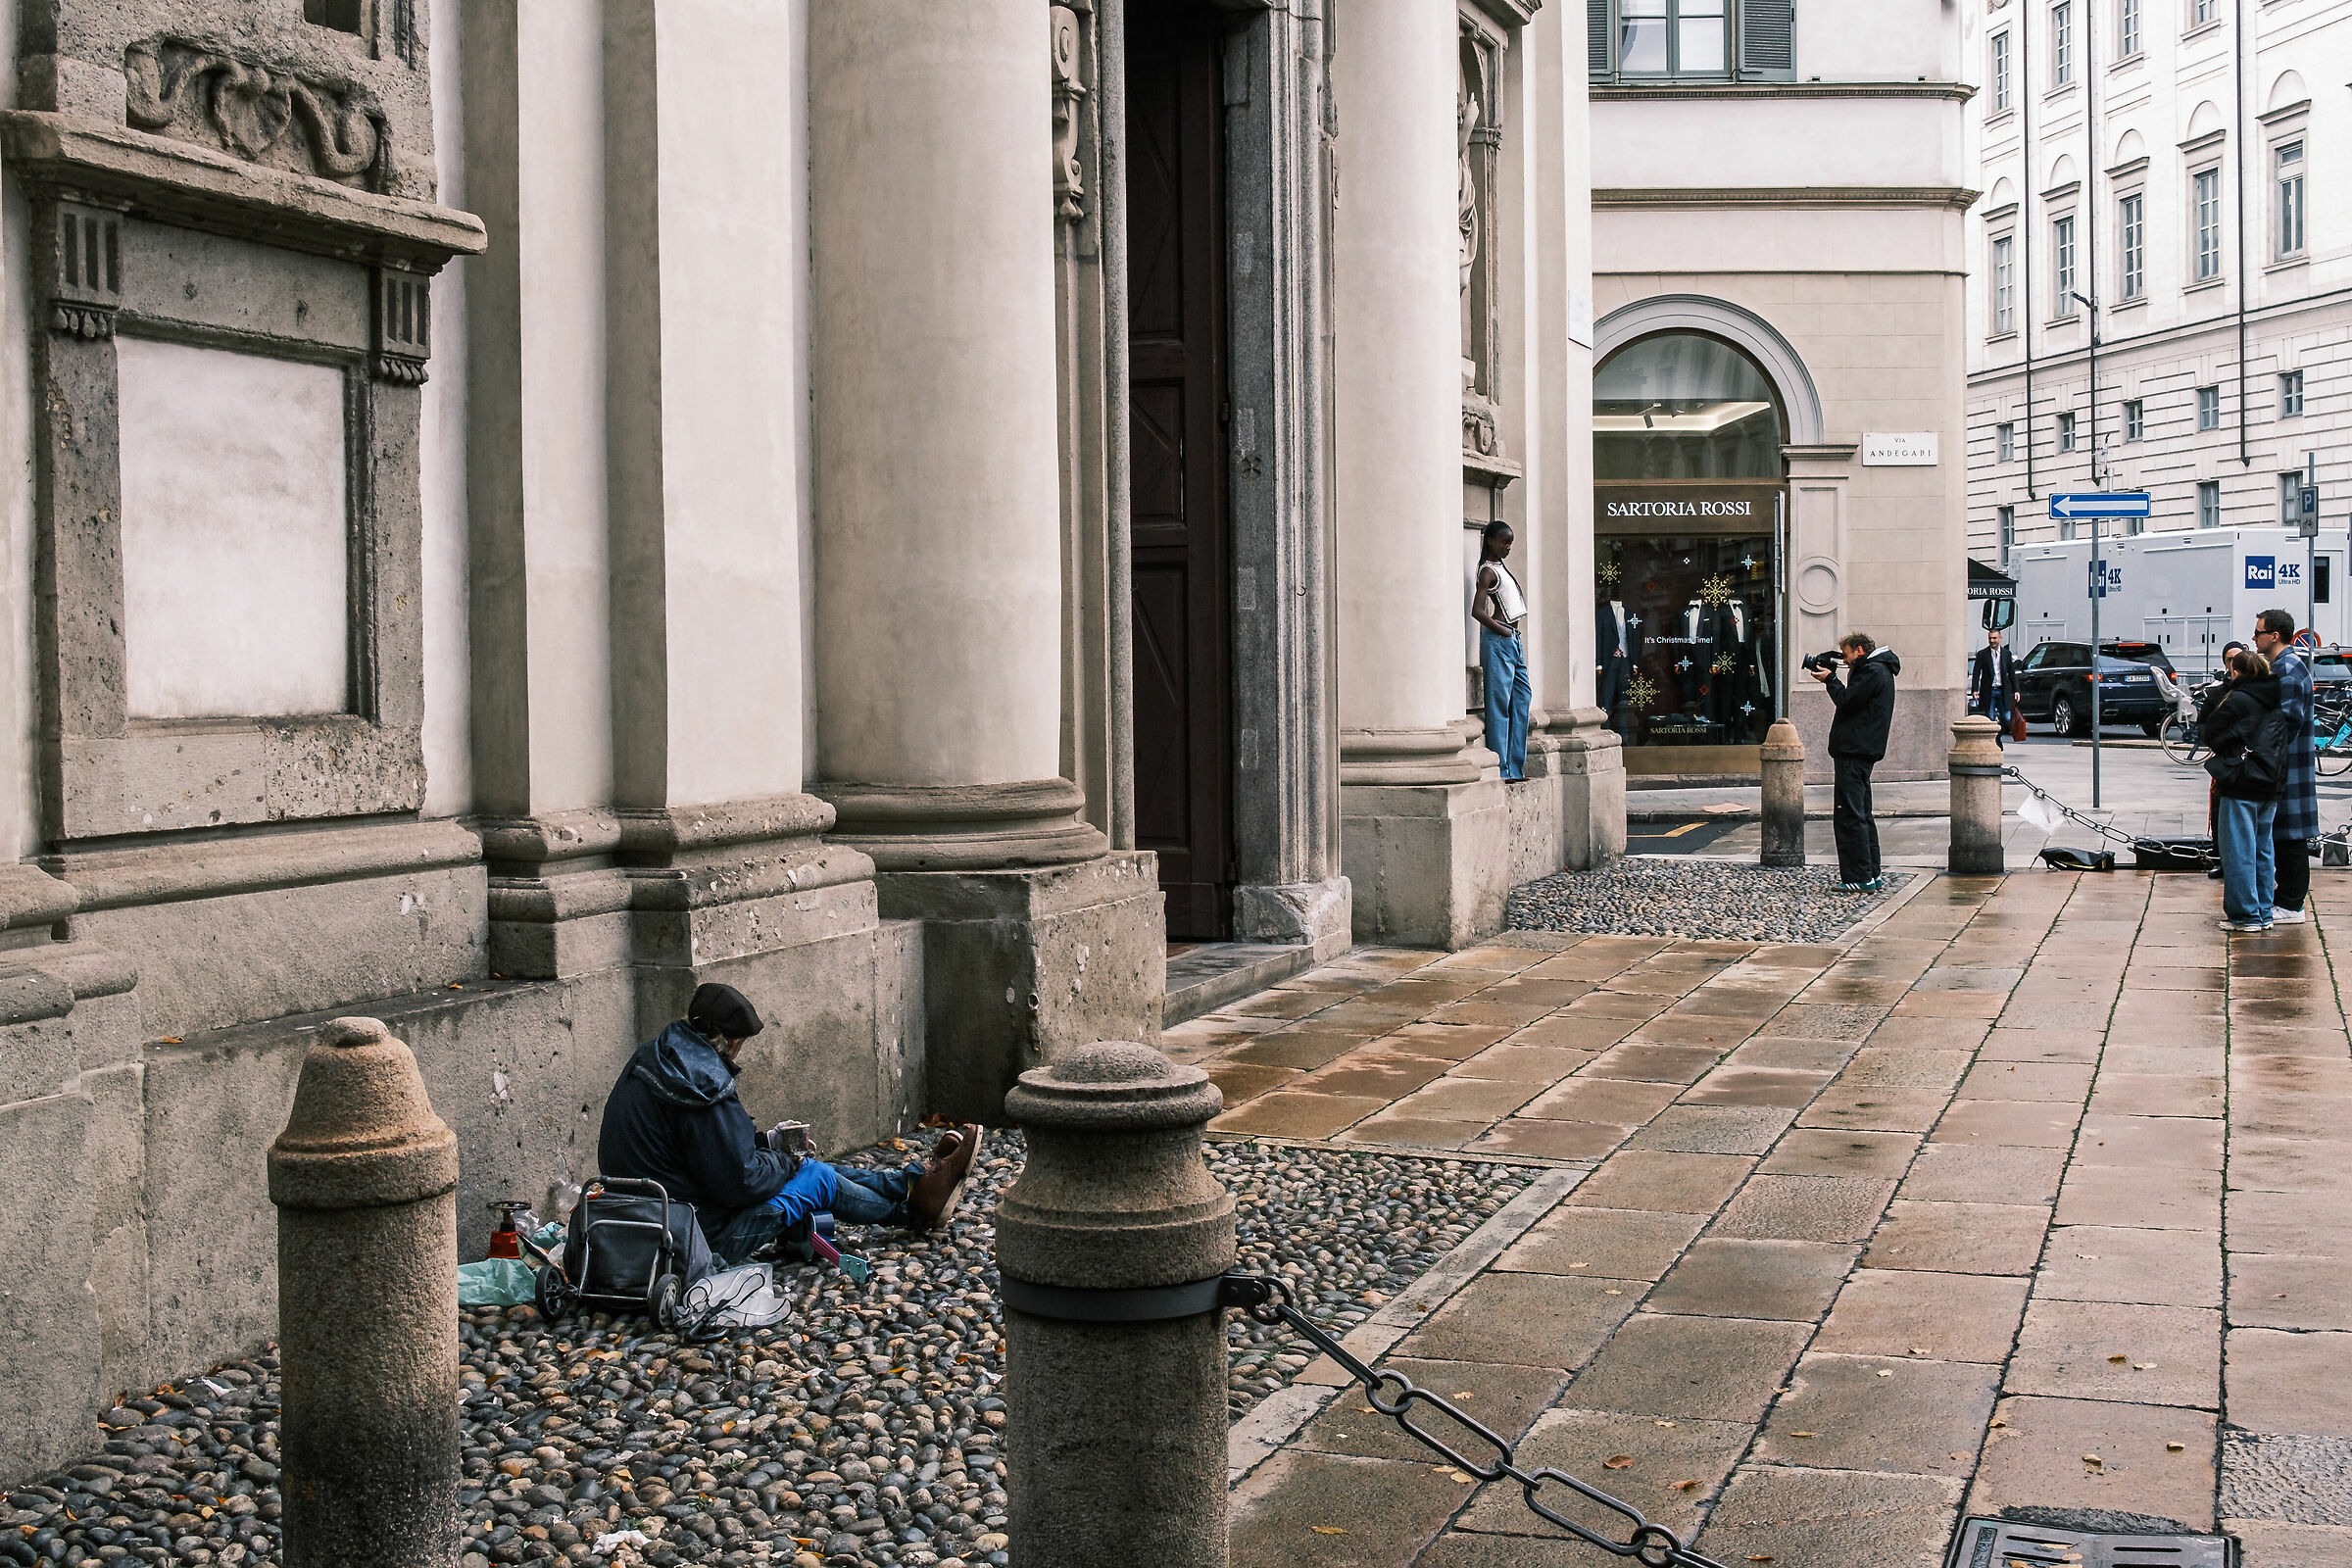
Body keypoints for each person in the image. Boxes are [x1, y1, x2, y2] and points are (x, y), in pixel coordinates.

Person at [596, 982, 982, 1266]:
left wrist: (766, 1142)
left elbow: (700, 1154)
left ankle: (915, 1183)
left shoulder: (656, 1058)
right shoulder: (704, 1086)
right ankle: (915, 1207)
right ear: (731, 1042)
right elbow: (741, 1182)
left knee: (805, 1168)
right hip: (696, 1236)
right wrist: (782, 1160)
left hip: (646, 1219)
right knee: (815, 1177)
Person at [1810, 631, 1900, 893]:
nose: (1846, 660)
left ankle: (1859, 876)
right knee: (1862, 813)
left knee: (1849, 814)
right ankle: (1871, 873)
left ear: (1859, 650)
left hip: (1854, 749)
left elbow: (1847, 702)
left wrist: (1830, 680)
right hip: (1862, 749)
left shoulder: (1871, 671)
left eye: (1847, 655)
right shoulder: (1879, 669)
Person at [2205, 646, 2286, 932]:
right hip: (2270, 782)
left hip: (2241, 781)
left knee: (2238, 849)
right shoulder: (2275, 698)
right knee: (2264, 849)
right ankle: (2264, 911)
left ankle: (2245, 915)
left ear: (2235, 671)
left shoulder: (2238, 699)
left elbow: (2210, 733)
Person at [2252, 609, 2317, 925]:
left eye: (2259, 632)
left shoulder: (2288, 671)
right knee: (2285, 833)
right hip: (2286, 764)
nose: (2254, 638)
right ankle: (2287, 898)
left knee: (2291, 834)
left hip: (2288, 766)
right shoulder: (2285, 667)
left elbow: (2286, 723)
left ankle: (2292, 904)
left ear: (2274, 635)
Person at [1471, 520, 1532, 782]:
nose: (1508, 547)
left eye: (1510, 542)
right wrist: (1503, 630)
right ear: (1490, 541)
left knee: (1522, 699)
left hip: (1512, 641)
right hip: (1499, 640)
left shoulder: (1499, 568)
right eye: (1504, 542)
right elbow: (1477, 611)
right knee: (1499, 705)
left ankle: (1516, 768)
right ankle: (1502, 768)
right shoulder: (1486, 571)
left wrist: (1511, 635)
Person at [1967, 627, 2017, 746]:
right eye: (1990, 638)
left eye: (1994, 638)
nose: (1992, 640)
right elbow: (1976, 673)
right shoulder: (1982, 654)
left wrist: (2016, 690)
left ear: (2000, 638)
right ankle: (1994, 742)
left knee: (2007, 718)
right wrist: (1975, 689)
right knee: (1990, 718)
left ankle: (1998, 736)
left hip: (2002, 691)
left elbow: (2011, 673)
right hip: (1989, 691)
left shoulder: (2006, 654)